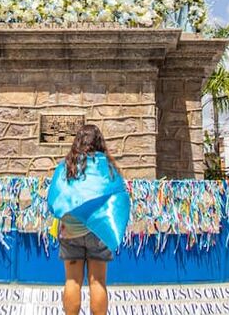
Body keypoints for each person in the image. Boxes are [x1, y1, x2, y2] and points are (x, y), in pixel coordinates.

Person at [47, 124, 130, 315]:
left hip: (71, 232)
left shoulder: (66, 166)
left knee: (72, 281)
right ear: (99, 142)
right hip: (99, 232)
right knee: (98, 281)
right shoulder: (108, 167)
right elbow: (120, 196)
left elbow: (54, 198)